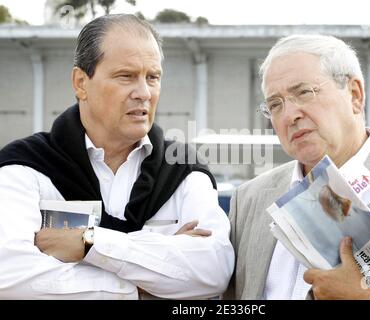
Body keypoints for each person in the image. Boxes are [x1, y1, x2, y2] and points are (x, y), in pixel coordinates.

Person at [0, 14, 234, 299]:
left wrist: (88, 242)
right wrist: (141, 288)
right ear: (81, 83)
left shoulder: (184, 169)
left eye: (153, 77)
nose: (144, 92)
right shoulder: (24, 167)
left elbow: (213, 271)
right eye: (126, 76)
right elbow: (10, 277)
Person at [226, 34, 370, 300]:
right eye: (275, 105)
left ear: (355, 95)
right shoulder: (248, 199)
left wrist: (368, 297)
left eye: (304, 93)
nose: (290, 115)